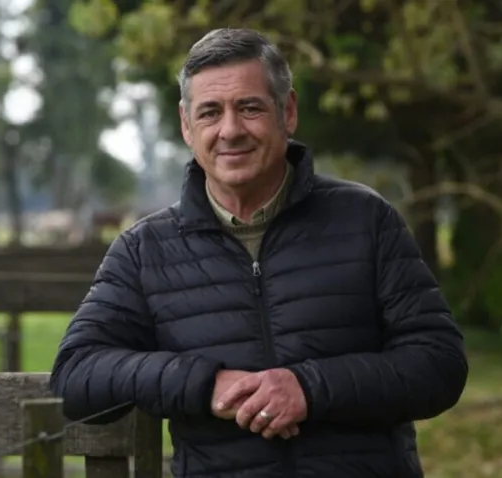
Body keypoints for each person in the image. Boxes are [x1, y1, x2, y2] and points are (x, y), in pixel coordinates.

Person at [50, 28, 468, 478]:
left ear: (287, 112)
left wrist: (310, 388)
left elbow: (438, 363)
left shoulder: (366, 219)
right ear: (187, 126)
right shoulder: (144, 250)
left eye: (249, 108)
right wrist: (204, 384)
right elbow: (76, 375)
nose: (230, 130)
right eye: (210, 112)